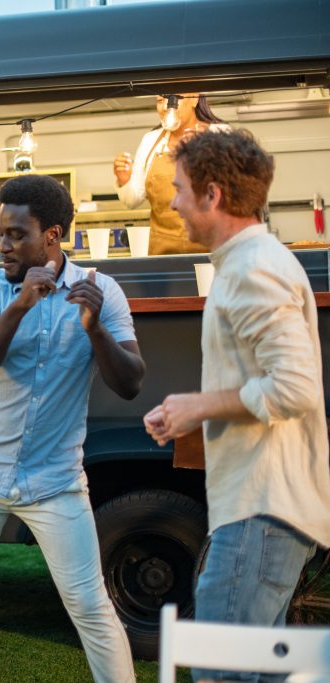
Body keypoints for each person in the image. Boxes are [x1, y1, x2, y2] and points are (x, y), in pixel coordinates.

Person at [143, 129, 330, 683]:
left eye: (179, 189)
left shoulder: (253, 267)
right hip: (265, 509)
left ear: (213, 195)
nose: (172, 201)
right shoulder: (248, 261)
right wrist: (191, 406)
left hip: (262, 509)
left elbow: (296, 387)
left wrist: (198, 406)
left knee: (222, 674)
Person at [0, 174, 145, 683]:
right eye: (0, 233)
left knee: (89, 604)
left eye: (16, 234)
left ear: (52, 235)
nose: (3, 245)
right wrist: (19, 305)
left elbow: (131, 383)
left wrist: (95, 329)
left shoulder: (100, 291)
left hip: (54, 482)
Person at [113, 93, 229, 255]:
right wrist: (123, 180)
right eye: (160, 101)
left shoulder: (220, 134)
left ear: (194, 99)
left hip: (212, 252)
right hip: (163, 254)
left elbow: (236, 193)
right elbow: (132, 200)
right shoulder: (150, 141)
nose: (166, 107)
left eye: (175, 100)